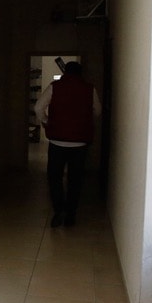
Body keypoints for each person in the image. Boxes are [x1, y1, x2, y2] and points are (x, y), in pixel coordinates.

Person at [34, 59, 99, 227]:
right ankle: (71, 214)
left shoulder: (55, 87)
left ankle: (58, 211)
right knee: (75, 180)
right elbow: (97, 111)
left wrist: (47, 122)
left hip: (57, 142)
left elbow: (38, 108)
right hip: (80, 144)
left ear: (65, 72)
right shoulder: (89, 89)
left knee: (54, 178)